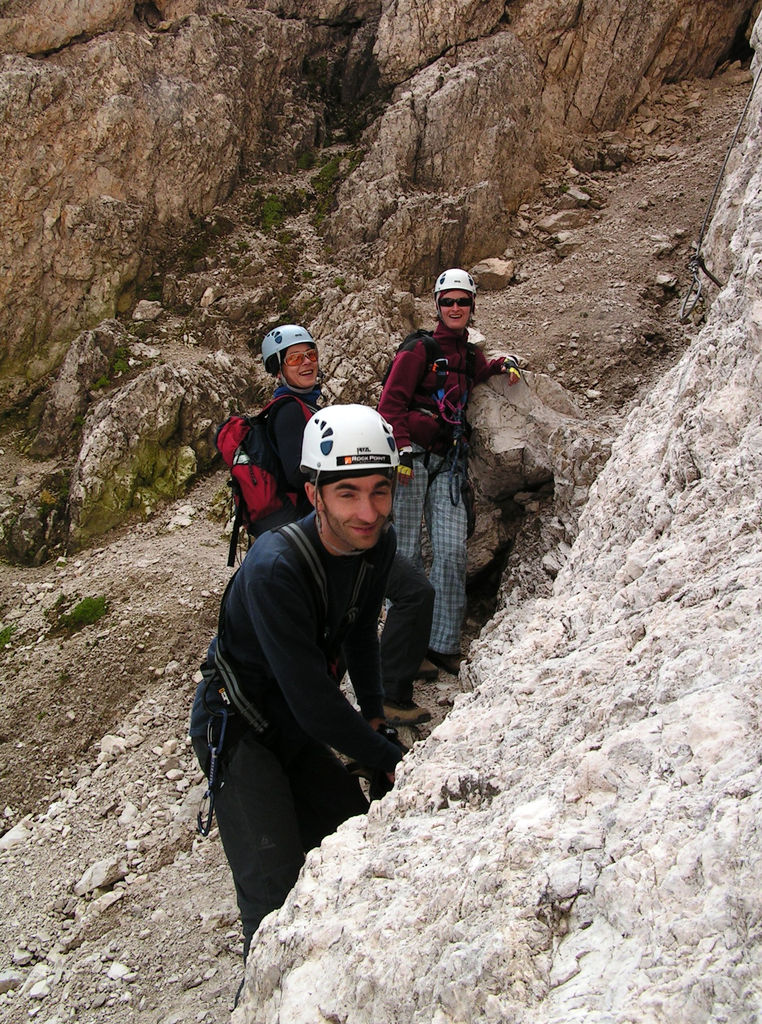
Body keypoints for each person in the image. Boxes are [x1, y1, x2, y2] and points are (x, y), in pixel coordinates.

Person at [190, 404, 406, 971]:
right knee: (274, 891)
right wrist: (390, 758)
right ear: (314, 494)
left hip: (292, 720)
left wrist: (376, 718)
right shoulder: (274, 567)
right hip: (238, 725)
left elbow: (359, 631)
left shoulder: (373, 546)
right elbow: (314, 700)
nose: (367, 512)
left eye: (380, 491)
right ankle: (266, 992)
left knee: (349, 842)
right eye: (348, 493)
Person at [254, 324, 436, 726]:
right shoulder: (289, 412)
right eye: (295, 358)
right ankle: (385, 696)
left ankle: (387, 683)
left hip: (328, 530)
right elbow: (296, 477)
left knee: (365, 614)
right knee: (411, 593)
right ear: (278, 368)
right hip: (328, 535)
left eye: (311, 355)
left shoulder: (307, 408)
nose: (307, 364)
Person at [378, 268, 521, 675]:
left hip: (448, 460)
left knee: (451, 550)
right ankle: (403, 646)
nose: (455, 307)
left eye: (463, 301)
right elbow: (390, 405)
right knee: (405, 552)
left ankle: (440, 643)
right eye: (448, 301)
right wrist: (402, 450)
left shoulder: (468, 355)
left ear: (472, 306)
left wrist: (497, 365)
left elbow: (472, 376)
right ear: (437, 306)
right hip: (413, 458)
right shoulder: (418, 349)